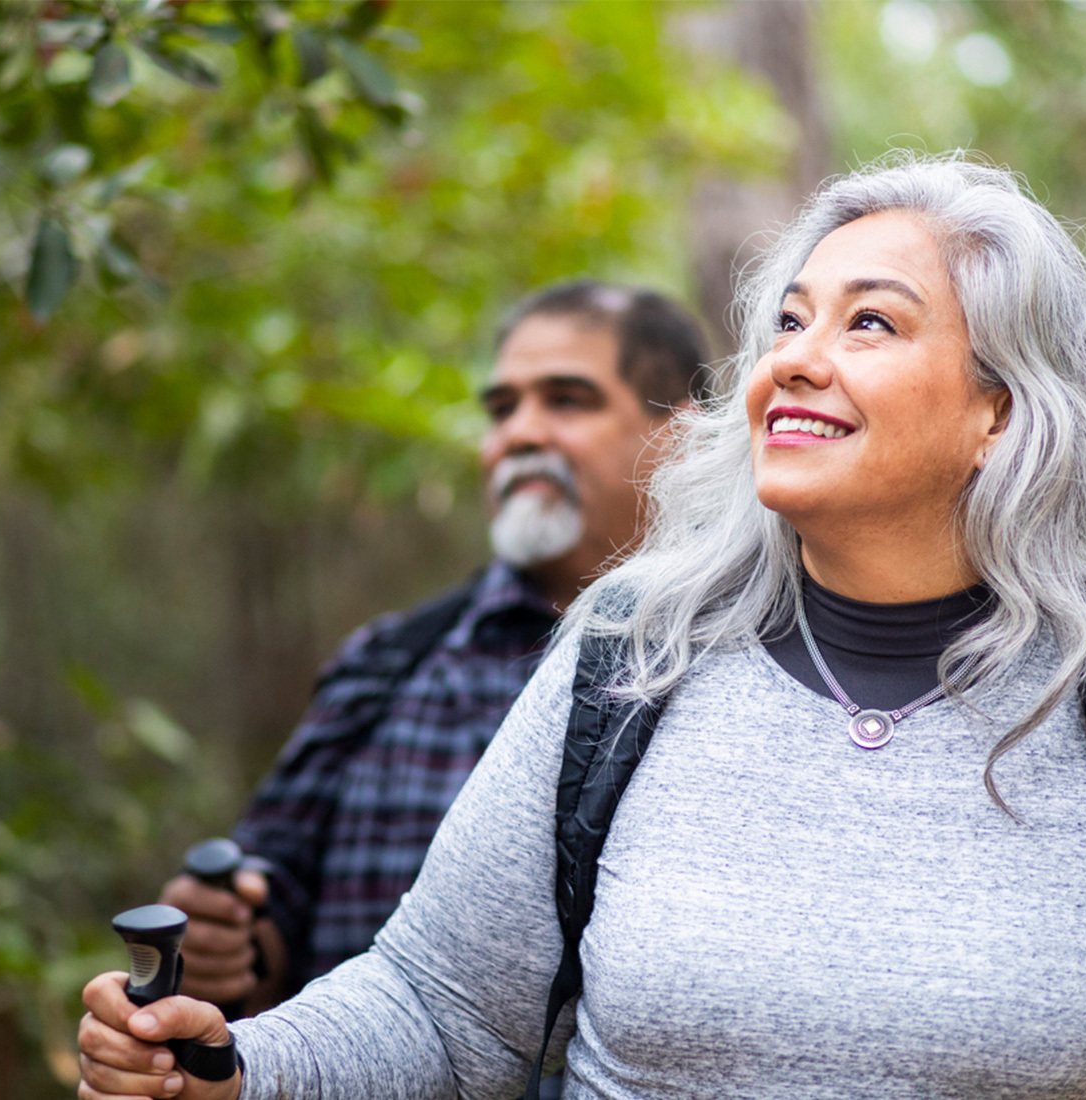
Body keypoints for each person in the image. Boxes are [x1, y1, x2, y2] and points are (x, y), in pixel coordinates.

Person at [78, 155, 1086, 1100]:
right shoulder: (634, 654)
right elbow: (444, 1003)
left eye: (870, 322)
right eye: (789, 319)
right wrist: (238, 1066)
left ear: (1000, 415)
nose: (793, 358)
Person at [156, 280, 708, 1015]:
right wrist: (227, 941)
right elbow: (273, 902)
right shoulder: (390, 663)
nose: (521, 434)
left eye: (566, 400)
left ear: (683, 435)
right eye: (502, 409)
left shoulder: (753, 664)